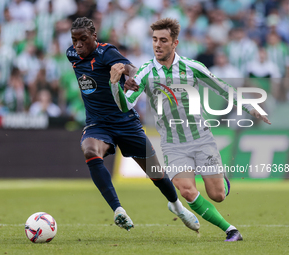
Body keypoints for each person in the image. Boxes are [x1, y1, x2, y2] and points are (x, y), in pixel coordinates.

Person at [109, 18, 271, 241]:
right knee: (185, 190)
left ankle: (221, 180)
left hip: (201, 138)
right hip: (172, 144)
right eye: (155, 39)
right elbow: (125, 105)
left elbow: (223, 88)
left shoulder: (192, 67)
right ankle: (231, 230)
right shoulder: (145, 73)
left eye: (163, 40)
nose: (157, 44)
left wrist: (250, 107)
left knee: (218, 195)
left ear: (174, 43)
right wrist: (114, 84)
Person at [66, 17, 200, 232]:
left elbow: (131, 69)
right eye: (74, 40)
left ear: (94, 37)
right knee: (90, 150)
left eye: (83, 39)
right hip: (98, 124)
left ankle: (177, 207)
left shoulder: (106, 52)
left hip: (125, 121)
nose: (78, 45)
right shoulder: (72, 54)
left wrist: (131, 79)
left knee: (156, 173)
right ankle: (118, 210)